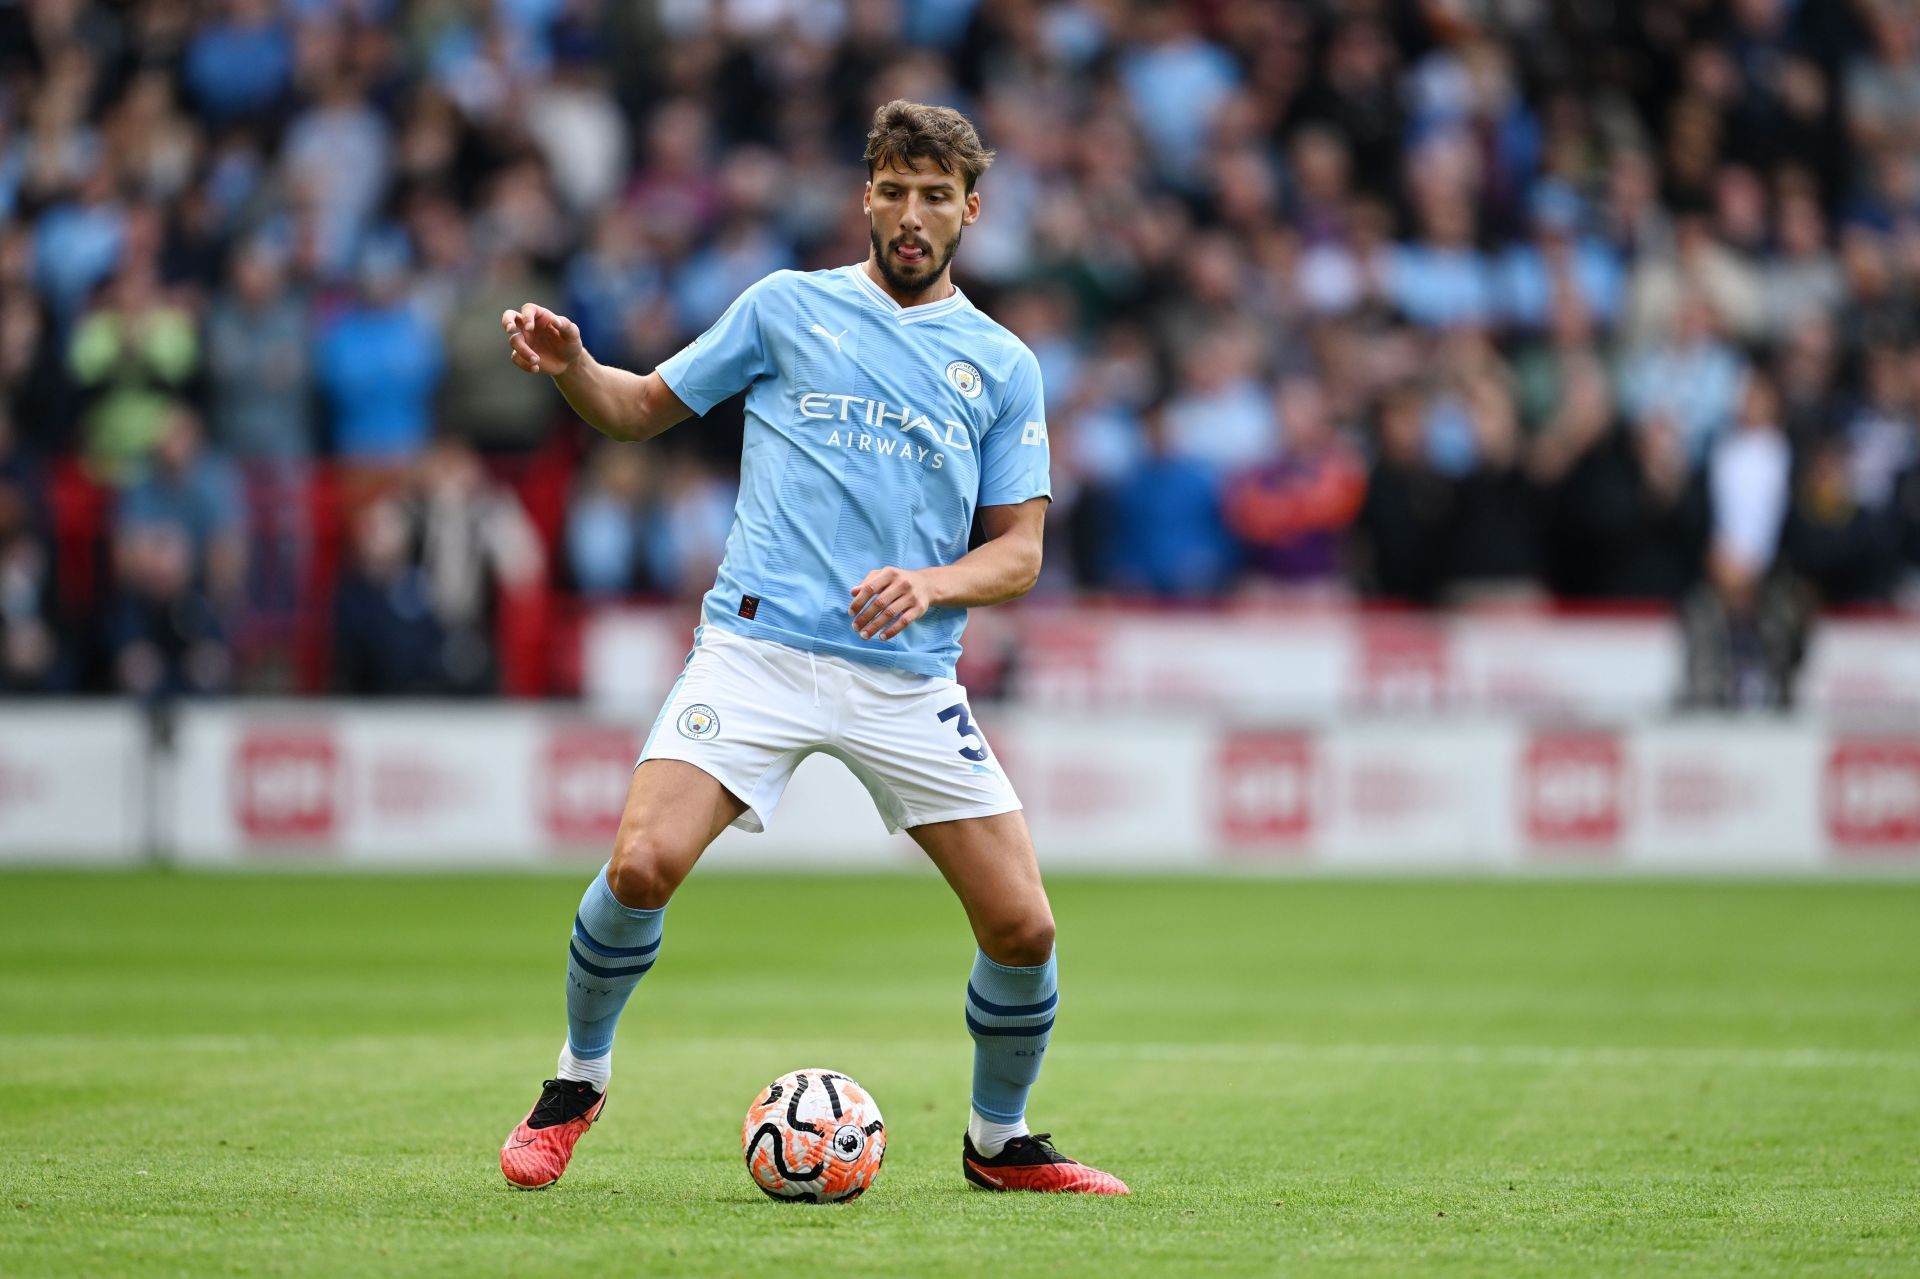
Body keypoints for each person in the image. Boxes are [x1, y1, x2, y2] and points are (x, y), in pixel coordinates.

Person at [495, 101, 1127, 1197]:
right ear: (867, 199)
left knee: (1023, 926)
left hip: (907, 675)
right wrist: (572, 366)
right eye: (895, 190)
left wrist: (931, 582)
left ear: (971, 211)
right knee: (641, 862)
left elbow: (1019, 552)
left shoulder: (1001, 362)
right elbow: (640, 409)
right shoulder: (786, 308)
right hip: (757, 654)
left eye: (937, 196)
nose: (913, 214)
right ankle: (576, 1080)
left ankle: (998, 1139)